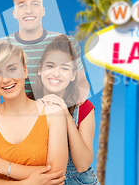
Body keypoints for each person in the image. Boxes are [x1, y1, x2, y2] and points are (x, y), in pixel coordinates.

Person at [0, 41, 68, 184]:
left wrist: (0, 165)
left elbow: (56, 175)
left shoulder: (53, 113)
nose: (6, 79)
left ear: (25, 70)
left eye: (12, 69)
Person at [0, 0, 89, 102]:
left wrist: (82, 91)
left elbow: (82, 81)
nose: (28, 11)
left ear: (43, 10)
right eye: (22, 5)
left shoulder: (66, 43)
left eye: (35, 4)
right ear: (14, 13)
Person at [35, 35, 100, 185]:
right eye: (50, 66)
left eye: (64, 68)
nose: (56, 74)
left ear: (73, 75)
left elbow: (82, 164)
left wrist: (65, 112)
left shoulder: (83, 107)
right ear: (40, 69)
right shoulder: (27, 102)